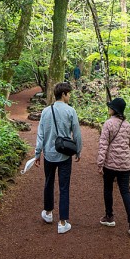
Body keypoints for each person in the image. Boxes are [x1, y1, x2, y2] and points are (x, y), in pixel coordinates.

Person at [34, 82, 82, 234]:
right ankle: (62, 222)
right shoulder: (70, 111)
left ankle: (48, 213)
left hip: (48, 154)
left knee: (48, 183)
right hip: (64, 155)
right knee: (64, 187)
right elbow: (77, 133)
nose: (70, 96)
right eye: (69, 93)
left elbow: (40, 134)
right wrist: (78, 151)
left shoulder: (46, 111)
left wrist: (37, 153)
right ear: (63, 94)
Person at [96, 97, 130, 236]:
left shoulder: (108, 124)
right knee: (125, 191)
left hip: (110, 164)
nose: (109, 108)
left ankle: (109, 217)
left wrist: (100, 164)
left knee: (108, 188)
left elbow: (103, 145)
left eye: (110, 107)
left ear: (114, 110)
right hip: (125, 164)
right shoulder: (128, 125)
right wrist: (127, 158)